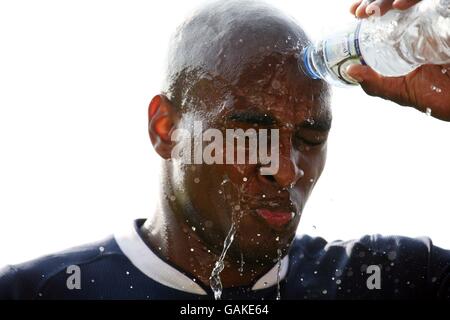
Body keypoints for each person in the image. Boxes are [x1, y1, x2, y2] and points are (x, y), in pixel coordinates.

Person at [0, 0, 449, 300]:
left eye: (310, 139)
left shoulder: (396, 280)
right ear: (166, 130)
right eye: (250, 132)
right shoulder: (34, 291)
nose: (287, 170)